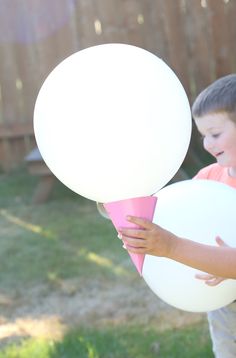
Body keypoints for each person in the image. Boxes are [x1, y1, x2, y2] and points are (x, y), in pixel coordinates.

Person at [119, 74, 236, 358]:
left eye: (215, 133)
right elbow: (178, 218)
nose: (207, 144)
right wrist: (141, 232)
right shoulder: (208, 180)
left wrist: (170, 246)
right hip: (223, 305)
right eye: (203, 135)